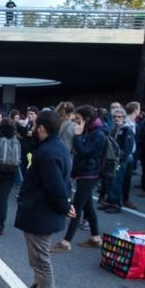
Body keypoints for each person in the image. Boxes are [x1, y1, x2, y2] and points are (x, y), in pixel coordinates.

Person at [12, 109, 74, 288]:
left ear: (41, 128)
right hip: (42, 212)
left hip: (41, 213)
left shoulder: (47, 152)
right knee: (38, 259)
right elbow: (64, 180)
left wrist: (64, 204)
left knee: (40, 260)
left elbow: (55, 184)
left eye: (35, 125)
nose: (31, 128)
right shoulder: (57, 146)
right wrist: (66, 203)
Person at [53, 105, 105, 252]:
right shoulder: (91, 130)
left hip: (90, 173)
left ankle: (65, 242)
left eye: (78, 119)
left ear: (86, 119)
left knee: (76, 207)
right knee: (88, 206)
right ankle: (95, 237)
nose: (75, 123)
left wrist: (77, 135)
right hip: (85, 172)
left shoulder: (98, 134)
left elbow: (84, 151)